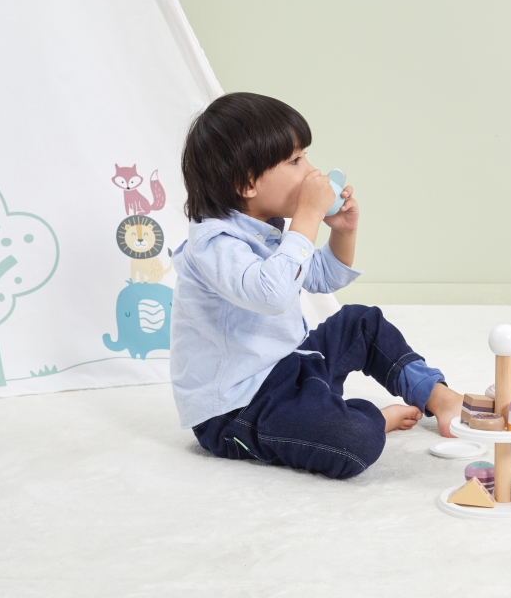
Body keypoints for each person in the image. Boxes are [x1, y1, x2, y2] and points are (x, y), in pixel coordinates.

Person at [171, 92, 461, 479]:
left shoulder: (266, 229)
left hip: (288, 366)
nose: (312, 172)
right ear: (247, 182)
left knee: (361, 323)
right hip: (237, 407)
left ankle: (436, 395)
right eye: (295, 161)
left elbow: (323, 277)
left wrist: (343, 232)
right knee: (355, 440)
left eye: (304, 156)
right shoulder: (214, 245)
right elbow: (273, 296)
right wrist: (307, 215)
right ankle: (367, 418)